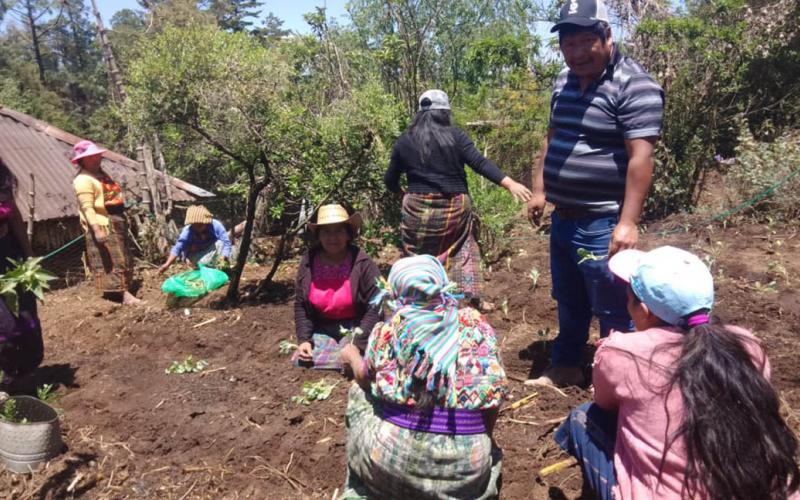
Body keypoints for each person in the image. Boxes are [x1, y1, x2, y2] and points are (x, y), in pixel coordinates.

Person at [555, 246, 800, 500]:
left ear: (645, 311)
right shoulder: (747, 344)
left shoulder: (624, 353)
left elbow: (606, 405)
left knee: (583, 418)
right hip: (770, 493)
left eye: (629, 299)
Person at [526, 0, 664, 387]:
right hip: (564, 216)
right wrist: (539, 189)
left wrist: (628, 222)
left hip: (603, 220)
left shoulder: (636, 85)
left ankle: (616, 382)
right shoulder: (563, 81)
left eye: (586, 41)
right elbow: (552, 136)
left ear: (607, 35)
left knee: (613, 306)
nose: (576, 52)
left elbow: (641, 157)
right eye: (568, 43)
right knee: (568, 299)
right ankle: (566, 365)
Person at [338, 255, 507, 499]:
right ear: (440, 285)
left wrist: (353, 356)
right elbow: (494, 397)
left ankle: (368, 484)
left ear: (395, 291)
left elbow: (365, 377)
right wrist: (481, 440)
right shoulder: (475, 324)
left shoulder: (389, 329)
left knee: (358, 391)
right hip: (466, 472)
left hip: (391, 465)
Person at [385, 89, 531, 308]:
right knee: (462, 249)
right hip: (453, 208)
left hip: (417, 209)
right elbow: (480, 163)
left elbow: (389, 180)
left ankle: (416, 301)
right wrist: (509, 183)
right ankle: (468, 301)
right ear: (445, 113)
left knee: (416, 256)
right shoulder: (455, 136)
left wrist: (404, 195)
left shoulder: (405, 140)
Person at [293, 204, 381, 370]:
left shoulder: (361, 262)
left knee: (366, 352)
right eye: (326, 231)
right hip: (323, 328)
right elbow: (301, 305)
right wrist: (304, 340)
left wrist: (357, 343)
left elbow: (377, 304)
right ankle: (350, 360)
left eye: (339, 231)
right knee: (301, 359)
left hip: (357, 327)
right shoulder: (308, 261)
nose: (333, 237)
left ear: (348, 234)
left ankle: (354, 357)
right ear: (318, 235)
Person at [71, 140, 141, 305]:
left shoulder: (101, 174)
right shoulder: (83, 180)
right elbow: (87, 207)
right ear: (86, 159)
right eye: (94, 155)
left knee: (123, 255)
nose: (99, 157)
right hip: (103, 222)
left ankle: (122, 289)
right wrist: (96, 229)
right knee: (114, 258)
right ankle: (123, 294)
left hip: (116, 219)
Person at [0, 157, 44, 385]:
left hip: (9, 254)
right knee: (3, 323)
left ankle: (22, 374)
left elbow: (14, 215)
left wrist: (29, 255)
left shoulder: (2, 176)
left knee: (23, 314)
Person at [158, 205, 233, 274]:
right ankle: (209, 269)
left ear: (206, 222)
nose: (197, 228)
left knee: (220, 244)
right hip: (197, 255)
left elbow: (226, 243)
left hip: (212, 250)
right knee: (206, 264)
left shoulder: (216, 225)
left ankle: (221, 269)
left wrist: (223, 258)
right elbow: (177, 248)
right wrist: (167, 264)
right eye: (194, 225)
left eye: (200, 226)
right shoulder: (187, 231)